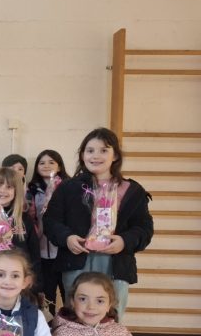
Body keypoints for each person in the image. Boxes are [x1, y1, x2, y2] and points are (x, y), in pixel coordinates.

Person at [43, 128, 153, 317]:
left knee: (111, 317)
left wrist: (124, 241)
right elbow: (51, 221)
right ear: (82, 155)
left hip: (115, 263)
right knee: (77, 316)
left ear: (115, 155)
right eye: (90, 150)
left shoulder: (132, 190)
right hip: (76, 259)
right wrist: (67, 238)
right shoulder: (68, 188)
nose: (95, 156)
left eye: (103, 150)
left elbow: (144, 228)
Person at [26, 150, 70, 315]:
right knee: (47, 295)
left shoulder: (69, 187)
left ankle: (69, 327)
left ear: (59, 166)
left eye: (51, 162)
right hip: (42, 251)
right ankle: (49, 327)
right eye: (42, 162)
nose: (46, 166)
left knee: (68, 293)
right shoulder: (31, 190)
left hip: (65, 250)